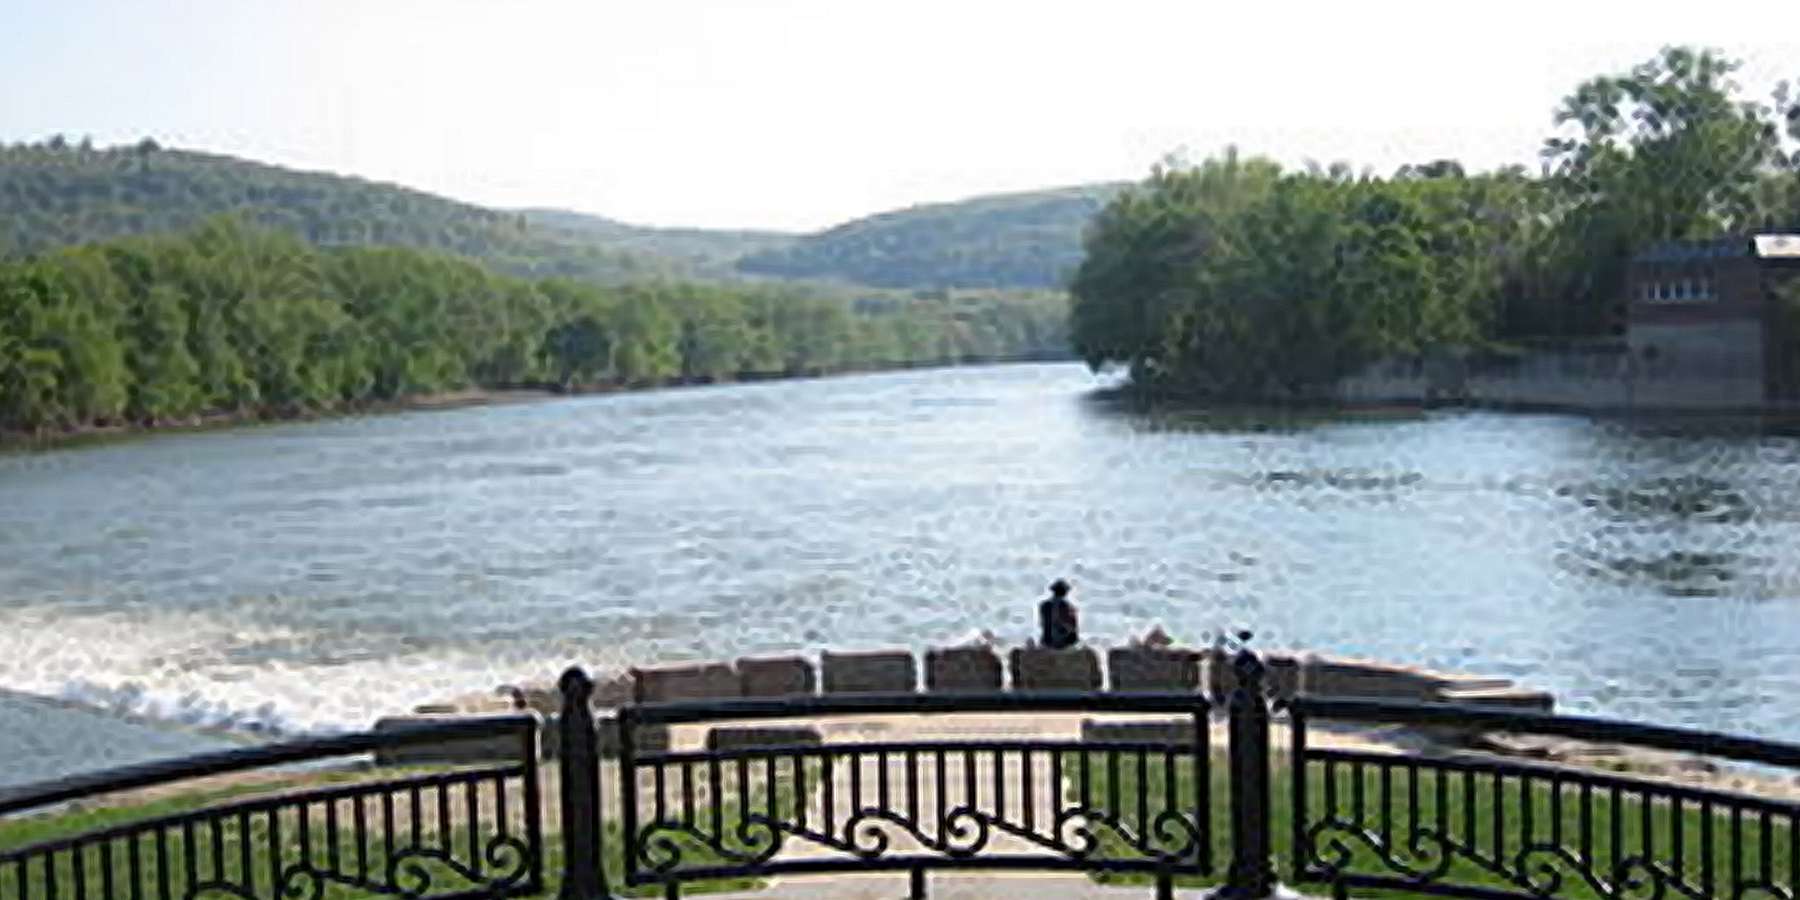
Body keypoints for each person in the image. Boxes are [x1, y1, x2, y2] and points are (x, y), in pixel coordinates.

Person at [1038, 579, 1079, 649]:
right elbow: (1072, 625)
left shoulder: (1044, 605)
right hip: (1061, 641)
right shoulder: (1066, 606)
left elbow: (1042, 623)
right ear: (1065, 592)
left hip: (1046, 640)